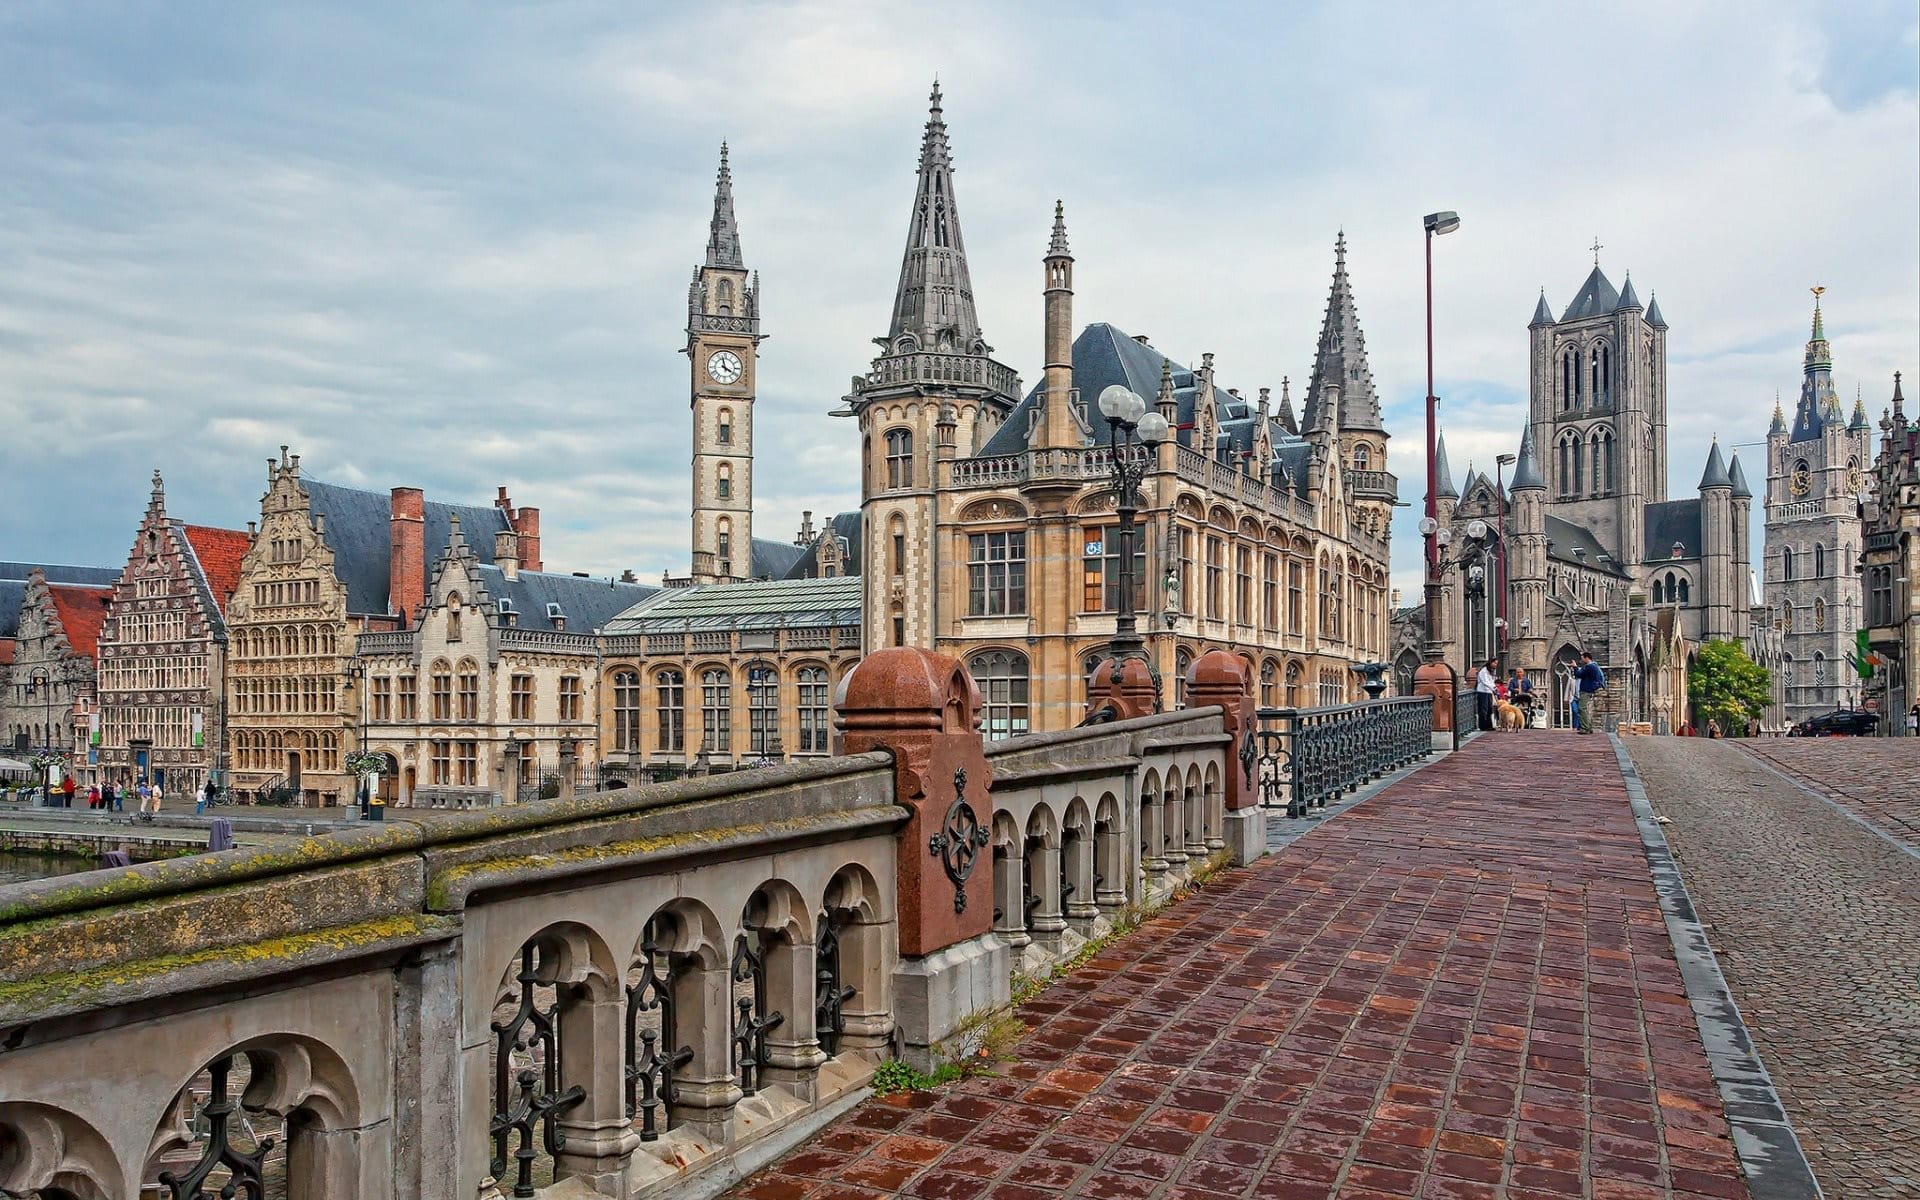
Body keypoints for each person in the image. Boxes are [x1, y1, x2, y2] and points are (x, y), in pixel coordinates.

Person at [1572, 652, 1606, 734]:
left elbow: (1578, 674)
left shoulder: (1590, 667)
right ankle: (1588, 727)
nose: (1581, 660)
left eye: (1582, 658)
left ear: (1586, 658)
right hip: (1589, 689)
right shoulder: (1593, 666)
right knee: (1584, 709)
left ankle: (1585, 728)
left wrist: (1575, 667)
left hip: (1586, 690)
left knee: (1581, 708)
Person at [1475, 658, 1499, 732]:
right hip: (1482, 692)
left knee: (1489, 709)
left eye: (1496, 664)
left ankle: (1489, 725)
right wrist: (1493, 688)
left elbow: (1491, 681)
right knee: (1483, 709)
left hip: (1488, 692)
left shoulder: (1490, 671)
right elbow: (1485, 682)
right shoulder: (1483, 671)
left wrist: (1494, 687)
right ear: (1490, 662)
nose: (1496, 665)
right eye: (1494, 663)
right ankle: (1483, 726)